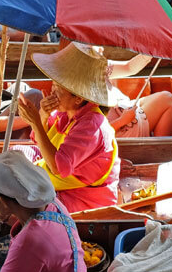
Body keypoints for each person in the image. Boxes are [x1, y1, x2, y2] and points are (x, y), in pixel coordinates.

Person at [13, 43, 120, 213]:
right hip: (61, 176)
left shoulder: (92, 126)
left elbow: (57, 166)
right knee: (16, 153)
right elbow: (39, 141)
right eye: (53, 86)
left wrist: (34, 122)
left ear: (78, 97)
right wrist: (43, 115)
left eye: (58, 89)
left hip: (82, 196)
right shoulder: (66, 112)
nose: (52, 92)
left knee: (29, 204)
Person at [106, 53, 172, 137]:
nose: (101, 48)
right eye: (91, 46)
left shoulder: (97, 65)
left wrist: (153, 49)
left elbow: (129, 67)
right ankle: (158, 149)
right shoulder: (88, 92)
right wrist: (123, 120)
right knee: (168, 99)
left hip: (124, 108)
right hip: (122, 126)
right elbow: (96, 132)